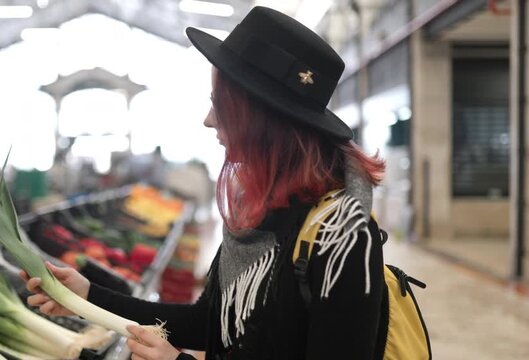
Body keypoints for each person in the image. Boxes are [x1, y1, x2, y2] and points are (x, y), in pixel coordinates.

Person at [22, 6, 387, 360]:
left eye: (220, 104)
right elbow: (210, 322)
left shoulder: (343, 240)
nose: (208, 120)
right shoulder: (261, 209)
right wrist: (87, 296)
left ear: (259, 118)